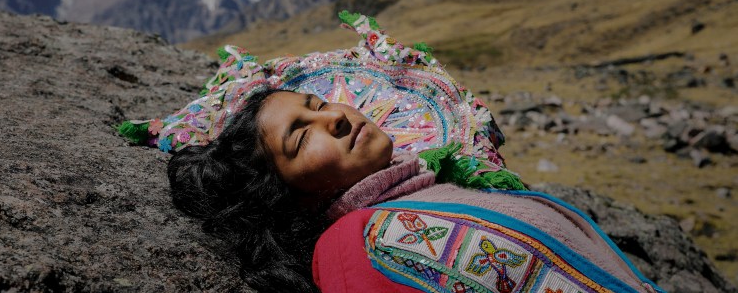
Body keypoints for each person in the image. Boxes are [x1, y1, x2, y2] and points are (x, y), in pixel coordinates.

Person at [168, 87, 664, 293]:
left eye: (318, 103)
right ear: (287, 194)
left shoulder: (431, 193)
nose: (336, 117)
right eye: (302, 136)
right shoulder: (352, 247)